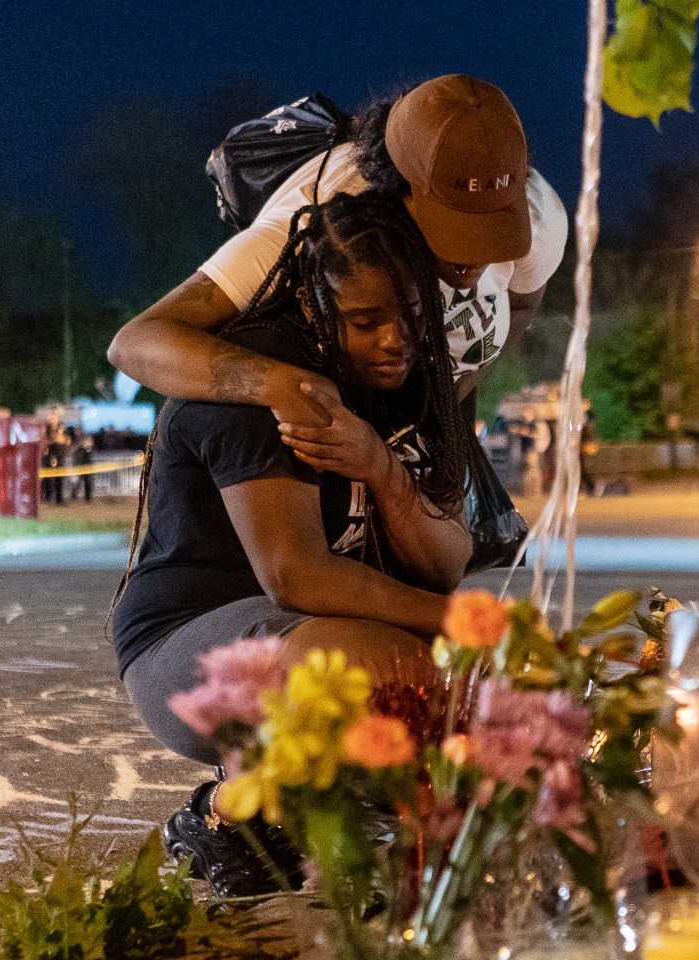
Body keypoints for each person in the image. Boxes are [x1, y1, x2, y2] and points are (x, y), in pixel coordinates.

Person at [112, 192, 474, 898]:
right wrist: (459, 624)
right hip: (183, 643)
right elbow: (296, 576)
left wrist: (381, 468)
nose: (396, 338)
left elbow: (446, 562)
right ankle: (222, 811)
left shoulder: (412, 385)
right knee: (405, 676)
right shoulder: (267, 378)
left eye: (411, 314)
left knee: (467, 684)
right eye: (366, 321)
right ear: (316, 302)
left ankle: (305, 798)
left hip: (309, 626)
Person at [106, 75, 567, 430]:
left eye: (494, 229)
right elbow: (138, 342)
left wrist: (450, 398)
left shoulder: (539, 213)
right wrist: (281, 385)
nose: (475, 258)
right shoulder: (324, 224)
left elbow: (522, 303)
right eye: (456, 229)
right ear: (398, 189)